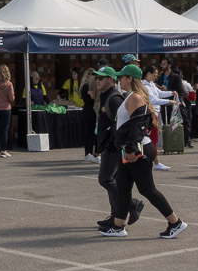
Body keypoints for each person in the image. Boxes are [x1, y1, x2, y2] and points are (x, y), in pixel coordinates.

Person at [97, 66, 185, 239]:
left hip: (138, 150)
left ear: (130, 79)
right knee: (122, 187)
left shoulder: (136, 97)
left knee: (148, 190)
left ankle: (175, 223)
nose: (119, 80)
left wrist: (130, 150)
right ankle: (118, 225)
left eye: (121, 77)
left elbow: (139, 125)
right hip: (128, 150)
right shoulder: (130, 96)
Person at [92, 66, 143, 226]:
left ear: (111, 79)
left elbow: (120, 125)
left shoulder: (114, 99)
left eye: (102, 78)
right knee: (111, 179)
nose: (98, 81)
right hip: (109, 145)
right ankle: (115, 216)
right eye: (97, 78)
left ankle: (132, 204)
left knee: (105, 179)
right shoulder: (107, 96)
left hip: (113, 146)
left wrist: (114, 144)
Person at [79, 68, 101, 162]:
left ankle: (93, 153)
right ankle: (88, 153)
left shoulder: (88, 86)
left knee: (93, 134)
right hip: (89, 111)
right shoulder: (86, 86)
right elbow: (91, 99)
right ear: (88, 75)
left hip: (90, 111)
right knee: (89, 134)